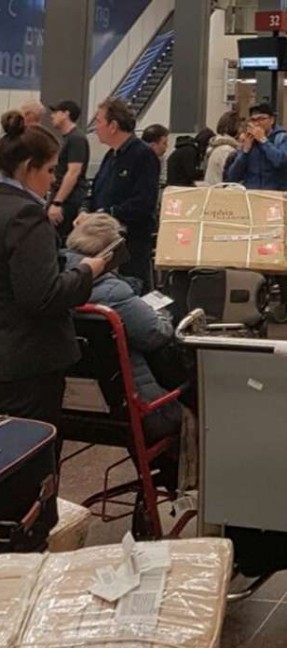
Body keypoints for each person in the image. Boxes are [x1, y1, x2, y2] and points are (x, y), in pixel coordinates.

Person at [0, 110, 105, 426]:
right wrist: (88, 271)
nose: (53, 180)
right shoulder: (26, 216)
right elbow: (42, 296)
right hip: (25, 363)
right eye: (49, 170)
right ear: (27, 169)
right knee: (26, 462)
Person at [64, 213, 183, 491]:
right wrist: (165, 315)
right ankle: (176, 476)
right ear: (109, 253)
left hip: (76, 408)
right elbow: (154, 335)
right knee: (192, 401)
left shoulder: (54, 283)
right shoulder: (112, 291)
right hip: (135, 409)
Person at [87, 98, 162, 293]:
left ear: (113, 126)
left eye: (98, 121)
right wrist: (85, 210)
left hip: (131, 244)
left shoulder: (143, 155)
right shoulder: (111, 156)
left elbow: (145, 202)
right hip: (104, 240)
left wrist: (108, 212)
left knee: (131, 291)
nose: (95, 127)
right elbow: (97, 190)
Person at [226, 103, 287, 210]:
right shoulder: (249, 142)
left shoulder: (286, 140)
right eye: (253, 120)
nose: (257, 124)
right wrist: (245, 152)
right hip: (252, 201)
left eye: (261, 119)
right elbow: (232, 176)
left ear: (272, 120)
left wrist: (263, 141)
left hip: (276, 201)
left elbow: (280, 160)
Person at [47, 100, 89, 241]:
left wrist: (57, 202)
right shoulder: (68, 139)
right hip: (64, 198)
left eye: (56, 112)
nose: (52, 116)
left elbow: (73, 172)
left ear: (66, 114)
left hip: (68, 201)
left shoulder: (76, 139)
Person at [205, 111, 242, 185]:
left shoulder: (215, 146)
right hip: (220, 191)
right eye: (240, 126)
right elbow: (229, 176)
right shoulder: (226, 150)